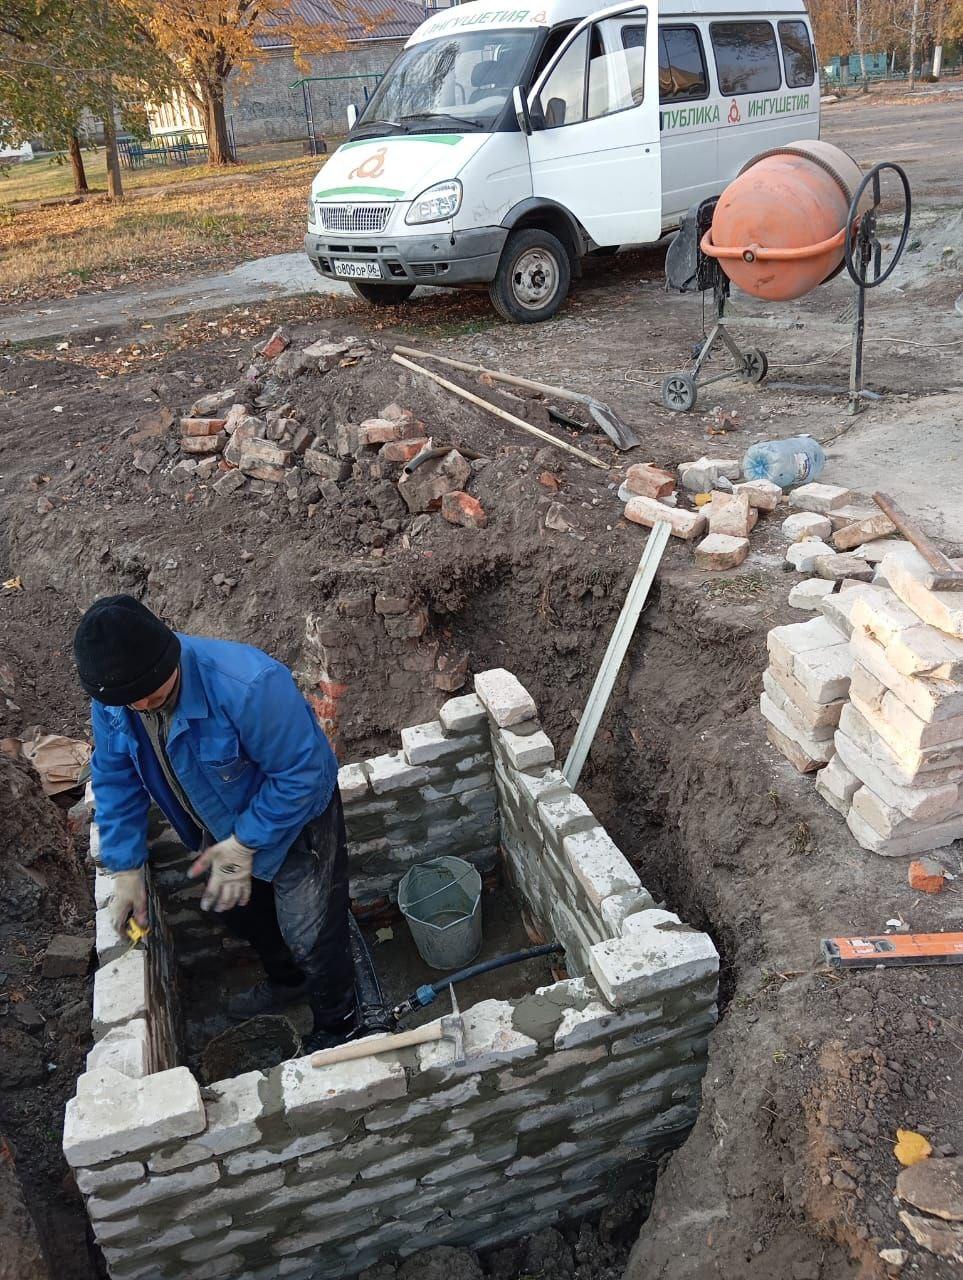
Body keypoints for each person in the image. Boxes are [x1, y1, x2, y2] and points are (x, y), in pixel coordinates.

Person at [73, 594, 356, 1051]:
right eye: (133, 701)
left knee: (312, 936)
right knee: (239, 912)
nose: (145, 705)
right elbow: (115, 777)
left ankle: (341, 1026)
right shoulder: (117, 699)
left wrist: (245, 843)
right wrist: (126, 868)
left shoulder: (248, 685)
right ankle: (288, 984)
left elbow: (305, 773)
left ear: (170, 655)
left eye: (157, 694)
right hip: (219, 824)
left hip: (297, 821)